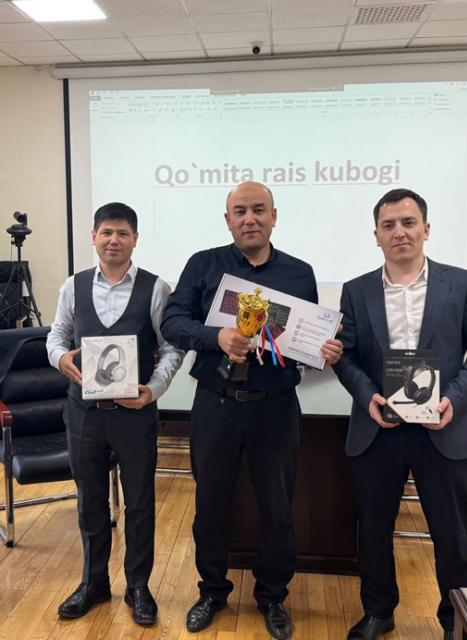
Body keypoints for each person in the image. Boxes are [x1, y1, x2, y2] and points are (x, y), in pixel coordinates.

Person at [160, 182, 342, 640]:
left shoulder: (299, 273)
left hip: (275, 407)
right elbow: (172, 321)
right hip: (215, 404)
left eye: (259, 210)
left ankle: (272, 596)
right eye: (240, 211)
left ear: (274, 216)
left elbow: (305, 340)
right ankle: (212, 591)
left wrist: (321, 350)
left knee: (277, 508)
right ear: (228, 220)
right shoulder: (203, 265)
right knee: (210, 505)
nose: (250, 219)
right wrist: (215, 337)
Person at [332, 188, 467, 640]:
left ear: (425, 229)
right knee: (373, 529)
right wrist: (367, 396)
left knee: (452, 534)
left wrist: (454, 399)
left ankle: (455, 620)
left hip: (442, 427)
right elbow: (346, 357)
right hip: (378, 427)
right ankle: (378, 611)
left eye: (408, 223)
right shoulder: (356, 290)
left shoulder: (460, 283)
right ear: (376, 235)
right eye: (388, 225)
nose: (399, 232)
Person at [47, 202, 184, 626]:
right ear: (93, 237)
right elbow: (56, 335)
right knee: (90, 500)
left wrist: (153, 390)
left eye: (123, 233)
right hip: (84, 413)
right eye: (106, 232)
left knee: (139, 502)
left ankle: (138, 586)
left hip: (135, 414)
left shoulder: (156, 288)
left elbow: (172, 347)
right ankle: (94, 583)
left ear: (135, 239)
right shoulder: (73, 286)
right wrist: (60, 359)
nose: (113, 240)